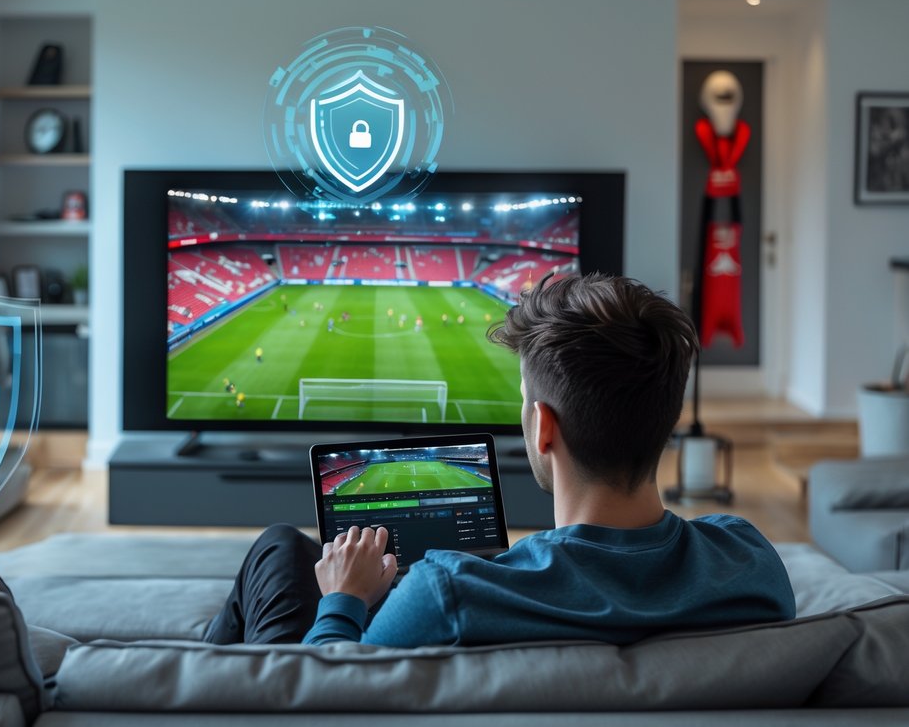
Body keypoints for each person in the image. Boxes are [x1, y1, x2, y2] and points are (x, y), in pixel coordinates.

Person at [204, 273, 795, 648]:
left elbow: (320, 697)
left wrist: (344, 600)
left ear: (542, 427)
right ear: (666, 420)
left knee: (281, 548)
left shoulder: (445, 593)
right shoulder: (750, 559)